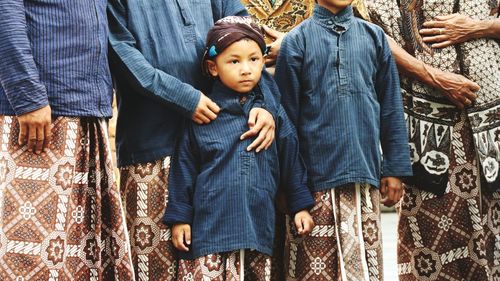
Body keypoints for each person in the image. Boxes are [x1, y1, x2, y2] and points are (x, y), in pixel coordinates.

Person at [107, 1, 277, 279]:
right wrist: (185, 97)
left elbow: (249, 43)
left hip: (225, 152)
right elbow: (121, 53)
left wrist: (265, 105)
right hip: (152, 148)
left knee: (225, 266)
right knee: (155, 264)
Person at [163, 17, 314, 280]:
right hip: (209, 231)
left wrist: (300, 206)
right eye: (234, 61)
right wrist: (180, 218)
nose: (246, 70)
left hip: (257, 226)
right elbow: (183, 169)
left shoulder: (272, 115)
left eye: (254, 60)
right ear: (212, 67)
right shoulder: (203, 115)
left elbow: (291, 158)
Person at [275, 0, 413, 279]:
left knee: (366, 267)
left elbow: (390, 106)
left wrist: (395, 168)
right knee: (312, 270)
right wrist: (291, 186)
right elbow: (285, 121)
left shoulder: (374, 37)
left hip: (364, 176)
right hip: (313, 182)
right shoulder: (295, 42)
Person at [0, 0, 134, 280]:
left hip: (85, 111)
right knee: (29, 257)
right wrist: (27, 97)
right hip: (41, 115)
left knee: (77, 260)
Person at [367, 0, 500, 279]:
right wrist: (436, 77)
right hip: (426, 127)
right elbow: (369, 32)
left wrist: (476, 27)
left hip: (490, 127)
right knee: (431, 242)